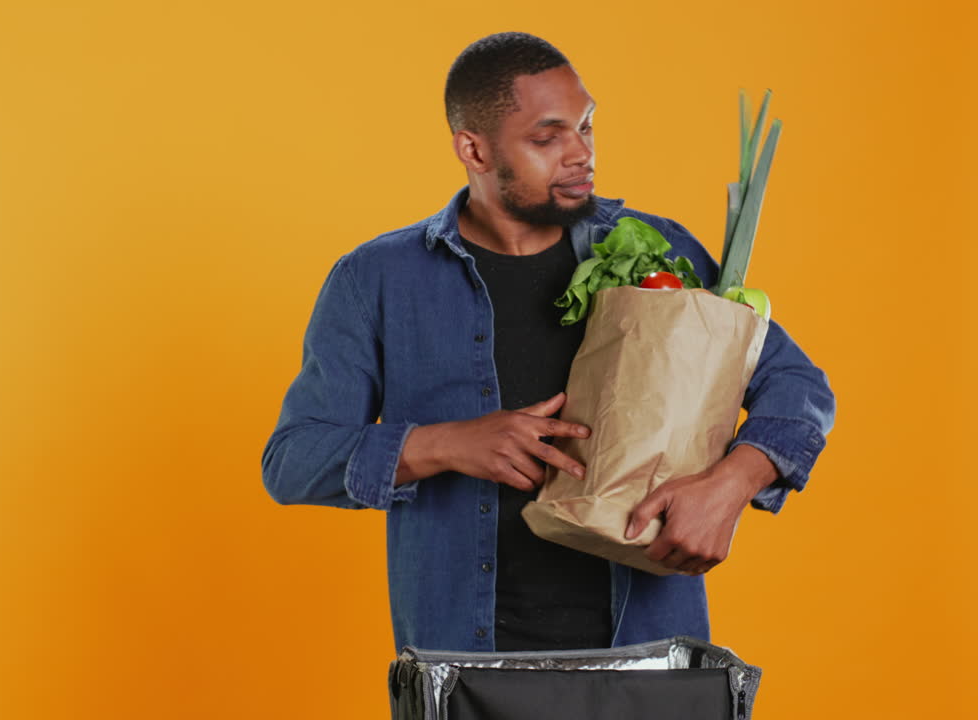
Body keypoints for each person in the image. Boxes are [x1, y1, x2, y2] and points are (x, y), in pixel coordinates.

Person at [261, 32, 835, 654]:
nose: (580, 154)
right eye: (547, 138)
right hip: (467, 666)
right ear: (474, 150)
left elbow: (799, 387)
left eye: (586, 128)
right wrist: (447, 443)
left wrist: (731, 485)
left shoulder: (654, 250)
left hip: (647, 659)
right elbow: (292, 461)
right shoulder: (376, 279)